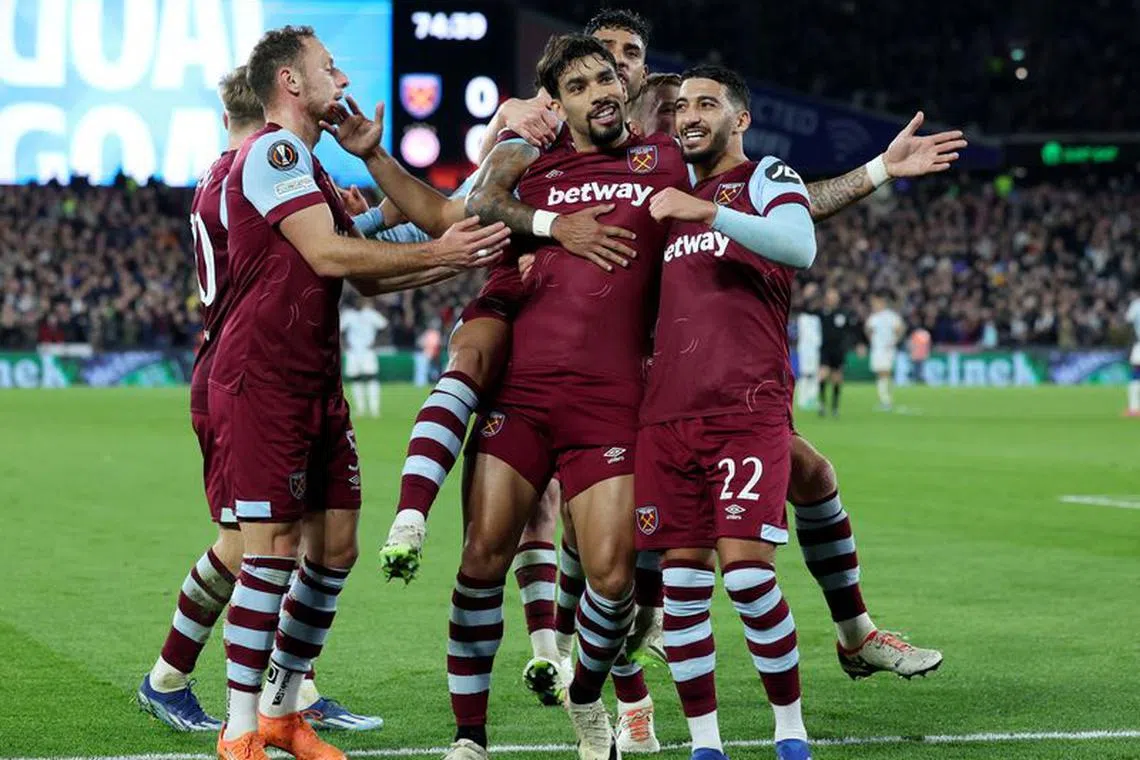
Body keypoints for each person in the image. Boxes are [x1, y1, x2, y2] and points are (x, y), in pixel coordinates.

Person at [210, 26, 508, 760]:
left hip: (314, 380)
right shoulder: (276, 153)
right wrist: (441, 250)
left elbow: (368, 272)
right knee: (271, 552)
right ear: (288, 81)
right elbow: (326, 252)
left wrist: (453, 256)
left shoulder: (308, 165)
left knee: (335, 547)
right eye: (327, 67)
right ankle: (240, 729)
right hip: (265, 382)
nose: (339, 77)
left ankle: (282, 711)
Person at [444, 35, 690, 760]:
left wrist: (870, 174)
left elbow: (756, 191)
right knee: (482, 558)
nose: (601, 91)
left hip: (610, 402)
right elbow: (474, 202)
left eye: (607, 77)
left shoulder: (661, 160)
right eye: (581, 85)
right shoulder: (533, 164)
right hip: (520, 396)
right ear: (562, 101)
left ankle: (587, 695)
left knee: (612, 578)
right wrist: (556, 227)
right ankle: (470, 735)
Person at [136, 65, 381, 736]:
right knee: (256, 548)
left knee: (275, 545)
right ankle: (184, 680)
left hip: (252, 370)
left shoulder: (223, 175)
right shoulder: (259, 170)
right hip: (245, 375)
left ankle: (281, 690)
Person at [640, 64, 819, 760]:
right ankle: (705, 745)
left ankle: (790, 732)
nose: (689, 114)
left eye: (706, 104)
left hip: (745, 408)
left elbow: (800, 246)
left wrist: (710, 212)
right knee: (681, 588)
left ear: (738, 120)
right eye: (681, 104)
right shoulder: (668, 200)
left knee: (747, 575)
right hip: (668, 416)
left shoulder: (766, 176)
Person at [340, 295, 387, 417]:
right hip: (353, 352)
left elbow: (384, 326)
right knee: (356, 379)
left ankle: (374, 409)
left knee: (371, 377)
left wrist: (376, 342)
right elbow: (339, 330)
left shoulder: (370, 314)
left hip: (367, 351)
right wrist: (344, 345)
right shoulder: (348, 315)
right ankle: (360, 409)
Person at [817, 288, 857, 417]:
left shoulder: (843, 313)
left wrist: (852, 345)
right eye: (830, 297)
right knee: (822, 375)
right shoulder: (821, 313)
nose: (832, 299)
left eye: (834, 297)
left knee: (837, 379)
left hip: (838, 350)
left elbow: (850, 331)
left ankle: (834, 407)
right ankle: (822, 404)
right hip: (825, 349)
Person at [866, 292, 904, 410]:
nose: (874, 305)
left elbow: (899, 329)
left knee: (884, 372)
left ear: (882, 303)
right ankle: (885, 399)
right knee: (881, 373)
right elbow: (868, 330)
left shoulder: (889, 316)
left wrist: (894, 341)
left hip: (885, 349)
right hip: (878, 348)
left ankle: (886, 400)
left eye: (876, 303)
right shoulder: (874, 317)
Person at [795, 284, 822, 411]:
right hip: (806, 349)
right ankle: (802, 399)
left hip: (815, 348)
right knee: (806, 374)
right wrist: (807, 294)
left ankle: (811, 398)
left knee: (814, 374)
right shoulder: (803, 318)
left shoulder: (817, 317)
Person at [1126, 292, 1140, 417]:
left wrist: (1130, 344)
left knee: (1136, 374)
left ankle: (1134, 409)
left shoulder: (1136, 305)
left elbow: (1129, 323)